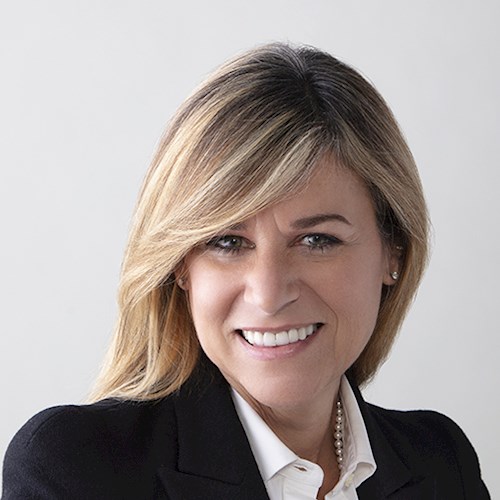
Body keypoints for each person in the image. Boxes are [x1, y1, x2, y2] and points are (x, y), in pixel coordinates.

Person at [2, 43, 489, 499]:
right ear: (180, 266)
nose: (269, 293)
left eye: (317, 240)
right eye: (227, 242)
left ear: (393, 253)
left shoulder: (442, 464)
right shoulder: (76, 470)